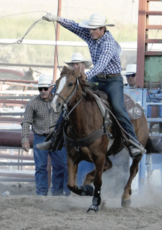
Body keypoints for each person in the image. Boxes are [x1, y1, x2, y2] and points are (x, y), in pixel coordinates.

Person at [39, 12, 146, 158]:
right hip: (97, 78)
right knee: (73, 97)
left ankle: (133, 142)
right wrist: (57, 19)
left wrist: (86, 75)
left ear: (103, 29)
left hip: (112, 80)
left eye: (94, 29)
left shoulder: (108, 44)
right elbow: (74, 26)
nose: (91, 31)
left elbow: (101, 64)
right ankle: (55, 139)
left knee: (118, 107)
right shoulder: (92, 35)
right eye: (90, 28)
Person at [22, 75, 69, 196]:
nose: (43, 91)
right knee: (41, 167)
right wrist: (25, 139)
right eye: (40, 89)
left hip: (56, 137)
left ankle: (57, 192)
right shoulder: (33, 103)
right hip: (40, 136)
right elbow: (26, 121)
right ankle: (42, 193)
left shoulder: (60, 101)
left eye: (45, 88)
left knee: (60, 166)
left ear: (51, 88)